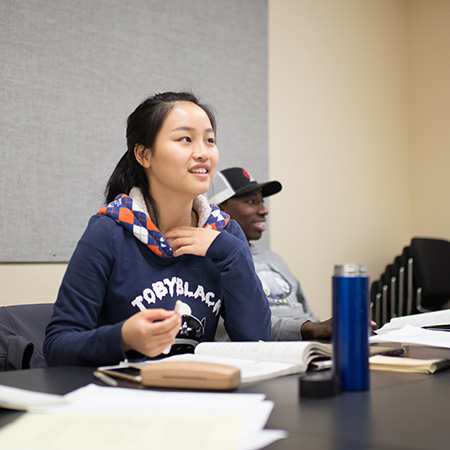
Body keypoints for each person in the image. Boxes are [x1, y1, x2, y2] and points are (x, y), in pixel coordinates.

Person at [44, 93, 271, 367]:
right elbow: (57, 345)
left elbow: (256, 340)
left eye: (209, 140)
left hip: (199, 394)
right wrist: (123, 338)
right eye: (185, 139)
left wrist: (231, 252)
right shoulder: (109, 231)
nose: (203, 152)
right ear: (144, 154)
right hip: (123, 396)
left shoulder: (225, 235)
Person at [207, 167, 332, 341]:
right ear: (221, 212)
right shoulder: (211, 262)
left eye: (262, 201)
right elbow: (240, 329)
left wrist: (328, 331)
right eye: (251, 202)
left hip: (310, 348)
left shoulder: (273, 259)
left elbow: (307, 314)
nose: (264, 210)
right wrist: (310, 329)